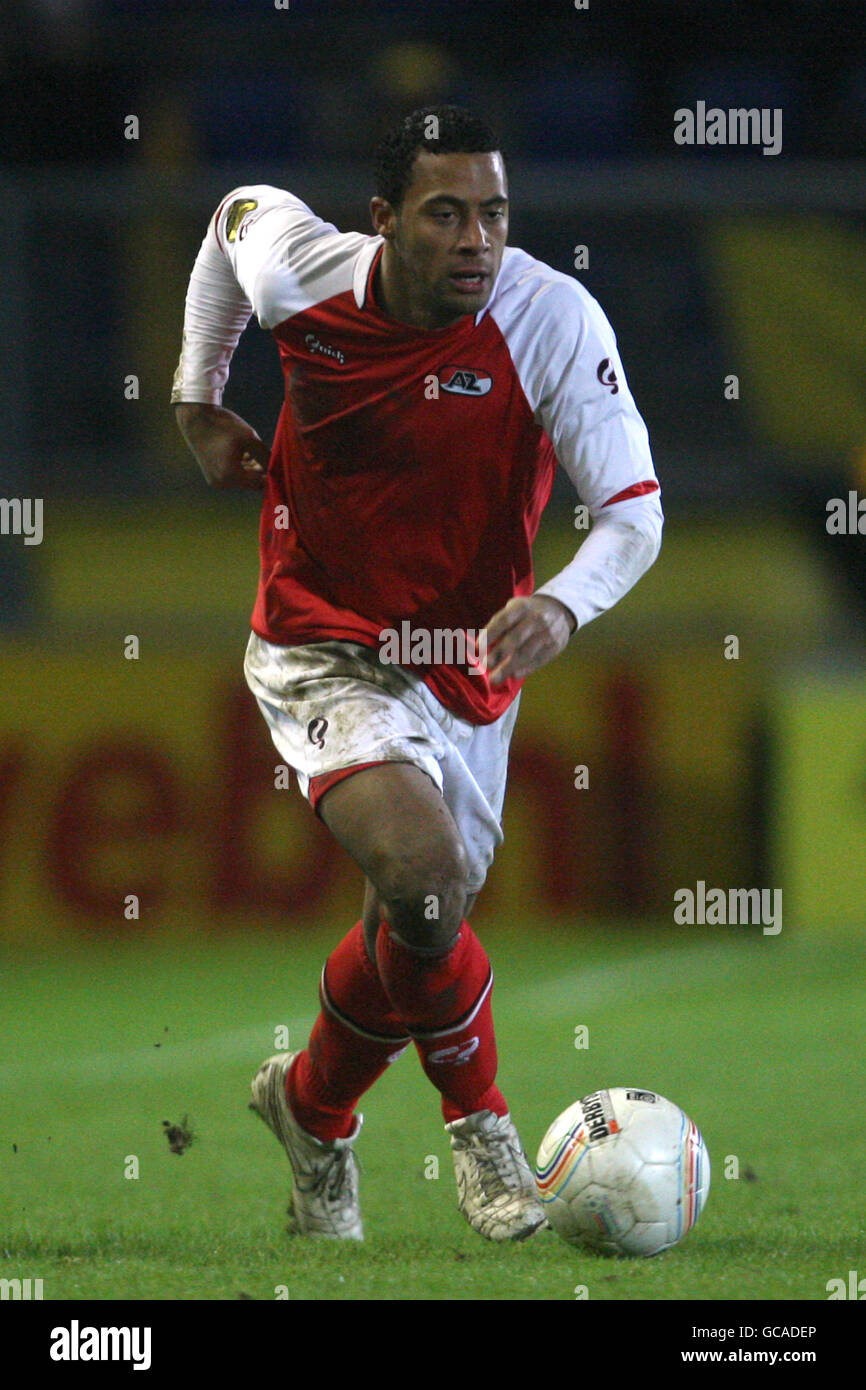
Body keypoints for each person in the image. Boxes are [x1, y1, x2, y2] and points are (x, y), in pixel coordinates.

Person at [171, 105, 663, 1243]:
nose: (476, 240)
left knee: (414, 931)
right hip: (320, 642)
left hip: (464, 668)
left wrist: (559, 600)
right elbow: (230, 215)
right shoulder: (306, 274)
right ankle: (483, 1130)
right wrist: (199, 393)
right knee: (423, 869)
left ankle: (309, 1110)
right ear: (383, 222)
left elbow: (632, 515)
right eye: (446, 214)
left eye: (493, 212)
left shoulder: (547, 318)